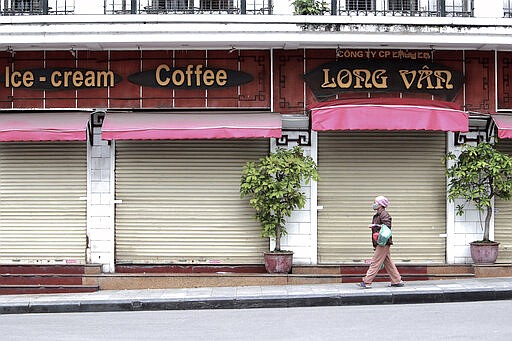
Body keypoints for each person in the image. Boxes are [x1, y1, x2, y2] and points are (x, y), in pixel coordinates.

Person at [358, 195, 404, 289]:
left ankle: (367, 281)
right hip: (380, 241)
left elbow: (387, 226)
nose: (374, 204)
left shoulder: (384, 214)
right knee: (388, 262)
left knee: (375, 262)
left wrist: (375, 225)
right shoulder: (378, 214)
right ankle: (397, 280)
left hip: (383, 242)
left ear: (381, 204)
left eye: (376, 202)